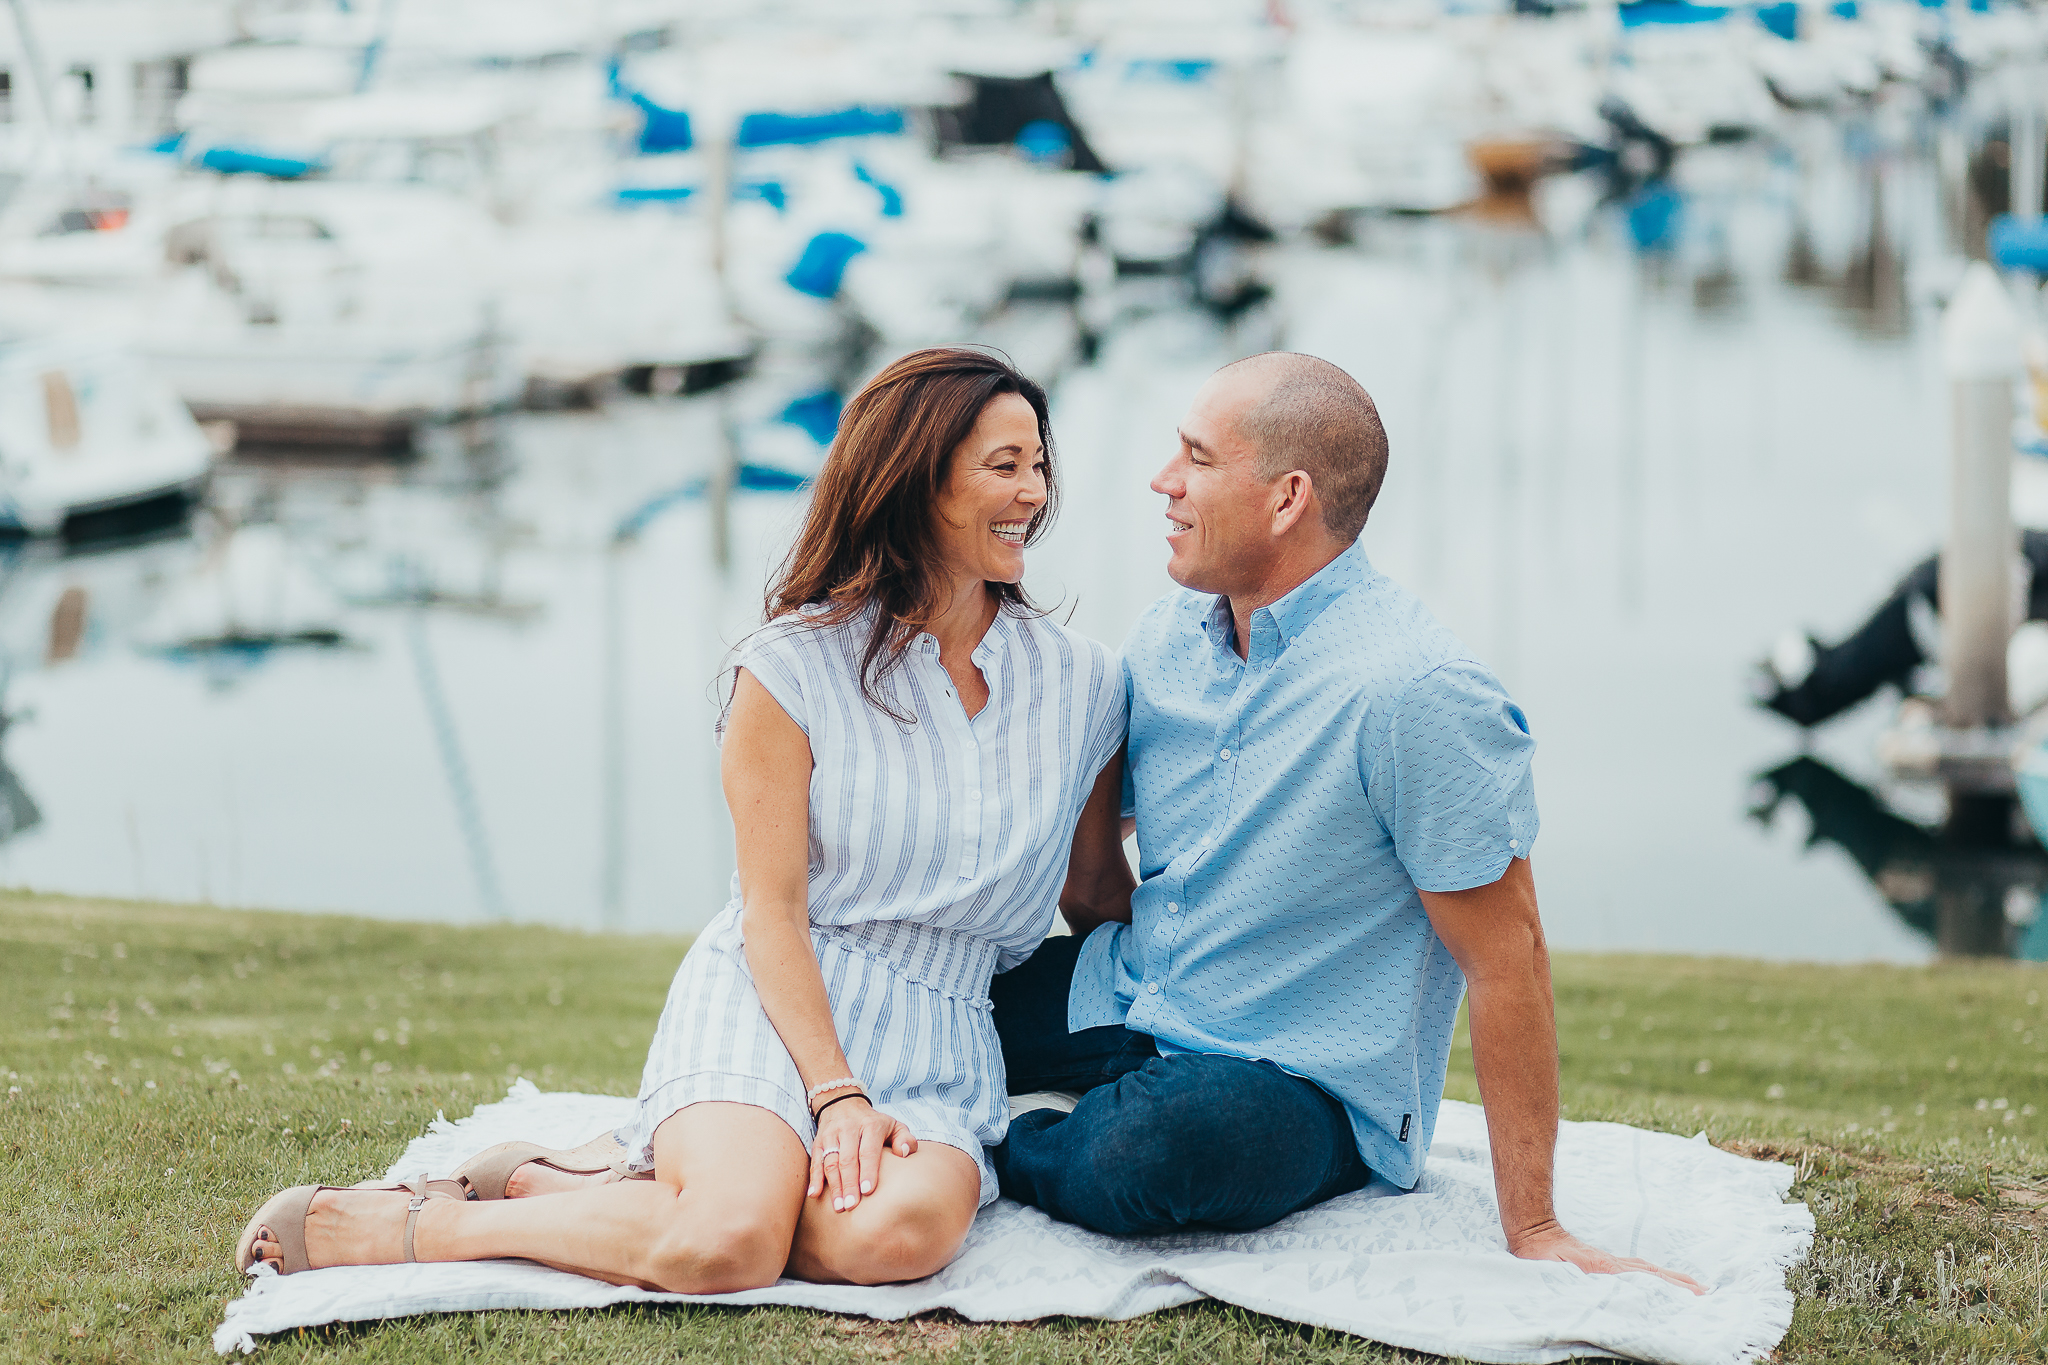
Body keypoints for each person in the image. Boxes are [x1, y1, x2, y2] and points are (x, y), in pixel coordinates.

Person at [235, 348, 1126, 1291]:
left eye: (1038, 465)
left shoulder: (1083, 684)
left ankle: (556, 1181)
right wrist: (836, 1095)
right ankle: (403, 1224)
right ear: (913, 474)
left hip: (941, 1031)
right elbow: (771, 915)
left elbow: (1098, 889)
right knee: (727, 1242)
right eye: (1004, 466)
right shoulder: (787, 670)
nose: (1033, 491)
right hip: (775, 999)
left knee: (888, 1239)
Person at [991, 352, 1703, 1293]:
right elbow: (1084, 861)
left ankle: (990, 1146)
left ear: (1286, 498)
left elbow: (1509, 958)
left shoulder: (1416, 694)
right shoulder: (1168, 640)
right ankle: (1017, 1100)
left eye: (1196, 459)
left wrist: (1534, 1225)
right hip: (1134, 994)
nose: (1163, 483)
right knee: (919, 1010)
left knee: (1147, 1151)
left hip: (1295, 1079)